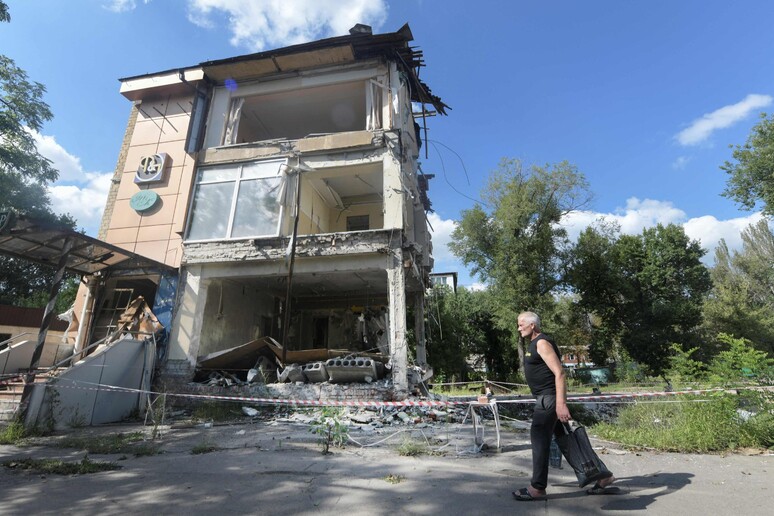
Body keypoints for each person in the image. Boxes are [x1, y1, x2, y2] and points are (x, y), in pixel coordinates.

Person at [513, 311, 616, 501]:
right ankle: (604, 477)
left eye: (521, 325)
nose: (519, 328)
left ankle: (537, 488)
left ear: (532, 325)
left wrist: (561, 404)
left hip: (549, 400)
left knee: (539, 440)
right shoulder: (534, 344)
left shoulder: (542, 343)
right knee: (568, 442)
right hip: (547, 399)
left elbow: (559, 373)